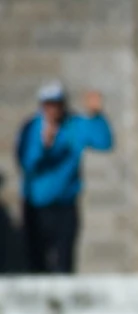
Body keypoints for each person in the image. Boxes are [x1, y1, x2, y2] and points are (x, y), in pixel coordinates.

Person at [15, 81, 113, 274]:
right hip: (37, 206)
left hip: (65, 205)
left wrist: (97, 116)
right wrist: (44, 146)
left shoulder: (74, 125)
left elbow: (104, 142)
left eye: (57, 104)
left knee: (64, 262)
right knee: (36, 263)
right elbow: (26, 163)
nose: (53, 109)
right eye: (49, 104)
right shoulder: (32, 128)